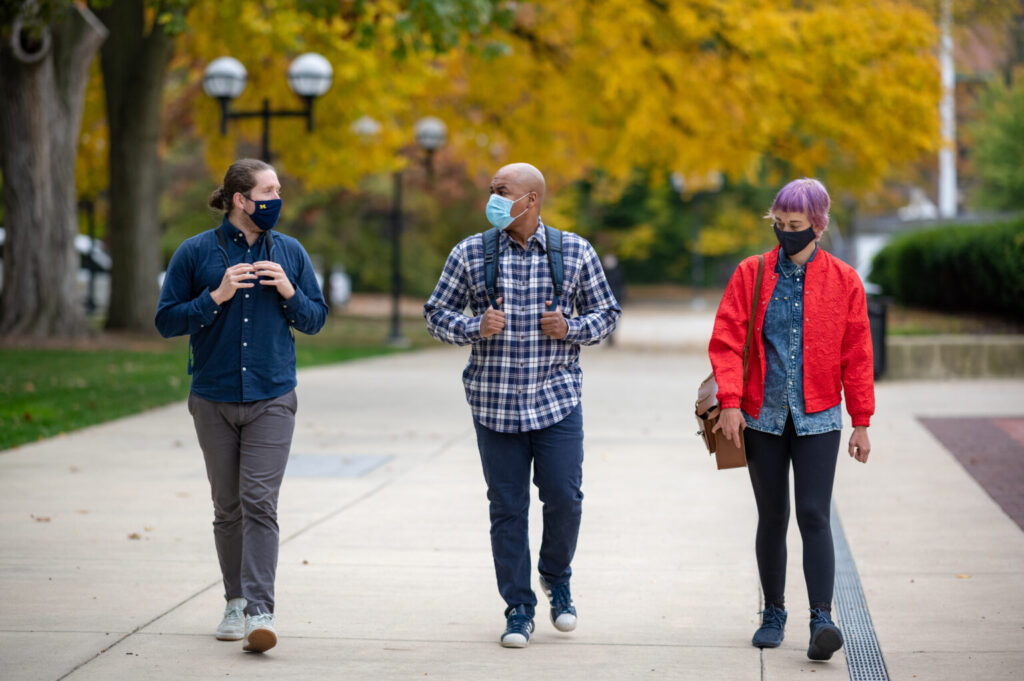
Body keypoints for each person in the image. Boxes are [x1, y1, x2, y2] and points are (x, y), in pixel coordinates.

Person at [424, 162, 621, 648]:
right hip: (493, 405)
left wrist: (570, 328)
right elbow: (435, 314)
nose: (492, 197)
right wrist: (474, 326)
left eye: (502, 190)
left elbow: (608, 312)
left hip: (556, 401)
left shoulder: (573, 251)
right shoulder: (470, 252)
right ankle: (518, 608)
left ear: (531, 200)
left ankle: (556, 576)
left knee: (564, 498)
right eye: (491, 190)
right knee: (507, 508)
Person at [155, 158, 328, 653]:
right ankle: (233, 600)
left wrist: (290, 291)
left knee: (259, 502)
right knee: (227, 506)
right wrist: (216, 296)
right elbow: (166, 321)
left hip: (273, 395)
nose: (277, 198)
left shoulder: (290, 252)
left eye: (278, 188)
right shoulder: (195, 253)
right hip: (212, 397)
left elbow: (316, 319)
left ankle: (259, 610)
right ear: (240, 200)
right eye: (268, 190)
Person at [708, 178, 873, 661]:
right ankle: (773, 612)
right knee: (773, 516)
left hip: (820, 416)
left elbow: (857, 354)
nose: (785, 233)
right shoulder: (751, 273)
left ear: (817, 226)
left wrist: (861, 420)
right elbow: (726, 340)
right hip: (761, 416)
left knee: (814, 515)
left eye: (795, 226)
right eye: (778, 225)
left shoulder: (844, 281)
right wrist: (732, 402)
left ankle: (822, 618)